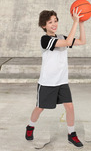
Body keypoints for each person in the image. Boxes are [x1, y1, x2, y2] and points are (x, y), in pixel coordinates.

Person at [25, 8, 86, 148]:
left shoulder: (62, 37)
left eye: (55, 21)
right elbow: (66, 43)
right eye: (50, 22)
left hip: (62, 81)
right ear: (43, 26)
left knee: (70, 107)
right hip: (47, 82)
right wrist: (75, 22)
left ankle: (72, 134)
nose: (54, 24)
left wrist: (81, 23)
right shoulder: (45, 39)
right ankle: (30, 126)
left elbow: (82, 41)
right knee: (40, 108)